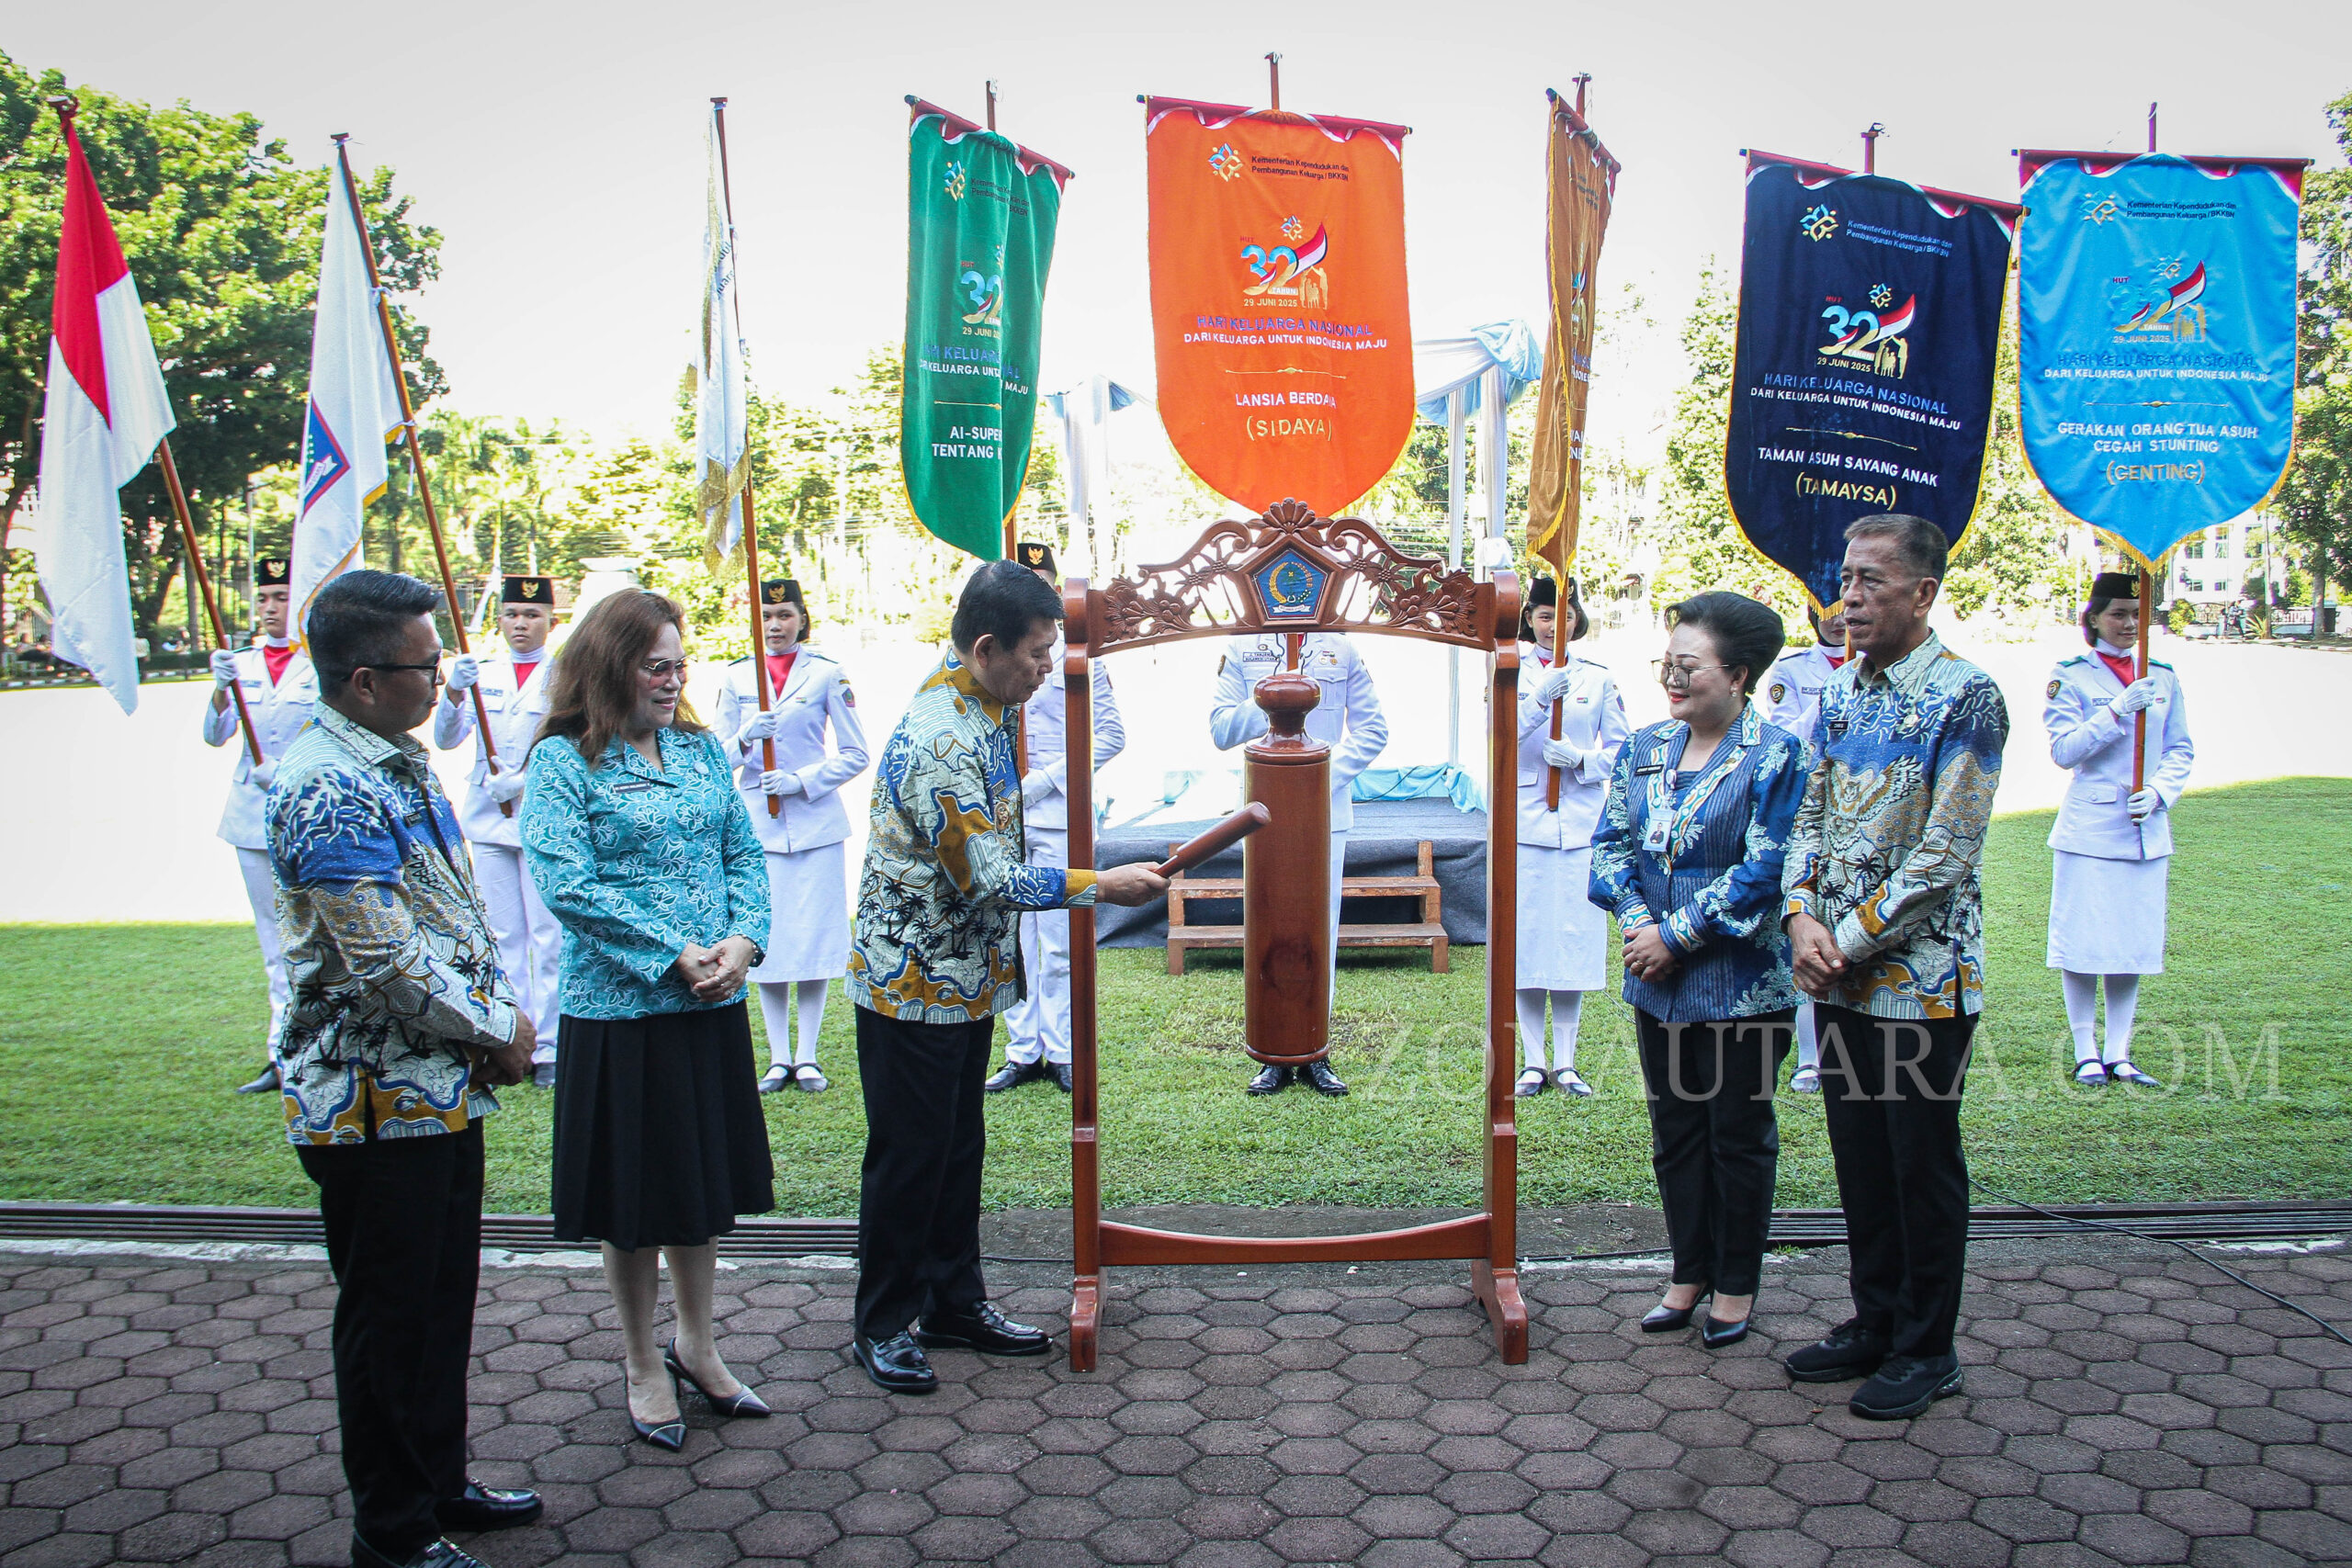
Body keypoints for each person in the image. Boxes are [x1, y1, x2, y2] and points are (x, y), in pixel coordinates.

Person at [267, 570, 541, 1568]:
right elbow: (382, 958)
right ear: (366, 679)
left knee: (438, 1300)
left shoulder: (395, 759)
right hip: (369, 1098)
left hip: (431, 1085)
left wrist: (482, 1029)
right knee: (389, 1315)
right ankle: (391, 1528)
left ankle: (438, 1483)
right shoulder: (327, 785)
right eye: (428, 667)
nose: (442, 682)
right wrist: (496, 1028)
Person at [846, 559, 1169, 1393]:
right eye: (1035, 653)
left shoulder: (982, 700)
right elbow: (989, 876)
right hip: (911, 983)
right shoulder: (943, 738)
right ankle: (882, 1321)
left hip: (962, 978)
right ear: (986, 647)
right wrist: (1105, 885)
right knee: (910, 1158)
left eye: (1051, 649)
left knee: (956, 1150)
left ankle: (952, 1301)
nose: (1047, 668)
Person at [520, 590, 775, 1450]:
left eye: (679, 665)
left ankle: (697, 1345)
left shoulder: (699, 750)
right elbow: (566, 883)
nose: (672, 681)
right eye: (654, 666)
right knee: (630, 1197)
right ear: (609, 666)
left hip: (708, 1003)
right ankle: (640, 1361)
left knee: (696, 1187)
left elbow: (742, 850)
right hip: (620, 1012)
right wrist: (672, 952)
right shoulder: (563, 762)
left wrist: (744, 940)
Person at [1781, 513, 2009, 1421]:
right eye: (1844, 579)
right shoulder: (1841, 690)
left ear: (1923, 592)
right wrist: (1800, 916)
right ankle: (1875, 1320)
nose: (1849, 597)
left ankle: (1926, 1347)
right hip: (1838, 974)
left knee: (1920, 1164)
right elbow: (1807, 813)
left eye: (1870, 580)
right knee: (1862, 1159)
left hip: (1922, 982)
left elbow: (1946, 852)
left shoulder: (1967, 697)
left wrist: (1844, 935)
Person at [1589, 592, 1808, 1348]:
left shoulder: (1776, 755)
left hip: (1741, 982)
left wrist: (1675, 935)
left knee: (1736, 1134)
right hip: (1657, 981)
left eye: (1689, 666)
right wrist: (1639, 924)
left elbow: (1765, 868)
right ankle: (1688, 1273)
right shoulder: (1644, 746)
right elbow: (1611, 844)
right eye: (1667, 663)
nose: (1671, 679)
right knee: (1676, 1130)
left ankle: (1736, 1284)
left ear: (1739, 675)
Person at [1209, 626, 1387, 1096]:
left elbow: (1374, 730)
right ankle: (1272, 1050)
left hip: (1324, 809)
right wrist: (1271, 701)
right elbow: (1221, 730)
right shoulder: (1243, 646)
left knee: (1319, 933)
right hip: (1263, 811)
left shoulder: (1340, 647)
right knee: (1267, 927)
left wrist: (1317, 777)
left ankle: (1315, 1047)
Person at [714, 577, 870, 1094]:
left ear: (802, 618)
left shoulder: (826, 673)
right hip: (758, 828)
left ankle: (807, 1055)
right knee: (771, 940)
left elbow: (855, 753)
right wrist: (745, 738)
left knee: (815, 936)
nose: (775, 625)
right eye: (765, 615)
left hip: (815, 825)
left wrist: (801, 780)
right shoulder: (737, 676)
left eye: (784, 615)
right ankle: (778, 1056)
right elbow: (714, 759)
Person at [2043, 570, 2193, 1088]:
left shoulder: (2162, 675)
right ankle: (2085, 1050)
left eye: (2137, 615)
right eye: (2119, 614)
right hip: (2091, 829)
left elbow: (2179, 748)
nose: (2130, 624)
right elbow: (2064, 751)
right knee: (2084, 942)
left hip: (2144, 828)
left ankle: (2119, 1052)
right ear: (2094, 618)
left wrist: (2160, 792)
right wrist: (2114, 711)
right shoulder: (2071, 676)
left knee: (2130, 943)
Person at [990, 542, 1126, 1095]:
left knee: (1062, 941)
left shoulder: (1079, 655)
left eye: (1043, 582)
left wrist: (1044, 780)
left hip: (1056, 814)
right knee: (1013, 938)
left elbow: (1110, 736)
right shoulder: (990, 653)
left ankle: (1064, 1048)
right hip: (1001, 816)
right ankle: (1022, 1049)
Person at [433, 574, 563, 1089]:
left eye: (532, 615)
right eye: (511, 614)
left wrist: (525, 781)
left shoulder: (564, 676)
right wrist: (453, 690)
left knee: (548, 936)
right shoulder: (481, 673)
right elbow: (447, 738)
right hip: (488, 818)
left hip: (541, 817)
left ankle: (550, 1045)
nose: (520, 624)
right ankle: (511, 1037)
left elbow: (577, 746)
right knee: (501, 935)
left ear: (551, 620)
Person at [205, 557, 317, 1095]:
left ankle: (319, 1045)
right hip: (252, 814)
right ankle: (281, 1052)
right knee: (275, 941)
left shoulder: (320, 663)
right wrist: (220, 689)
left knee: (316, 936)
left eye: (282, 597)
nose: (272, 608)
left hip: (308, 813)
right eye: (265, 598)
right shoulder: (242, 663)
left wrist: (290, 772)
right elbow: (215, 734)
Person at [1515, 575, 1629, 1098]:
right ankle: (1532, 1060)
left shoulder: (1598, 678)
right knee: (1527, 943)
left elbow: (1624, 751)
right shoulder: (1508, 667)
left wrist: (1583, 759)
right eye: (1544, 616)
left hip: (1579, 823)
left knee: (1571, 944)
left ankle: (1566, 1061)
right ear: (1529, 618)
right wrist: (1538, 702)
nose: (1553, 625)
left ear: (1576, 619)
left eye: (1563, 615)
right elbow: (1495, 734)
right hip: (1523, 820)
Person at [1761, 604, 1852, 1095]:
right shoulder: (1793, 670)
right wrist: (1834, 693)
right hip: (1810, 804)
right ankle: (1809, 1059)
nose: (1838, 619)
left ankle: (1841, 1053)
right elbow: (1786, 738)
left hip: (1858, 807)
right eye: (1828, 610)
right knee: (1806, 929)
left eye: (1844, 610)